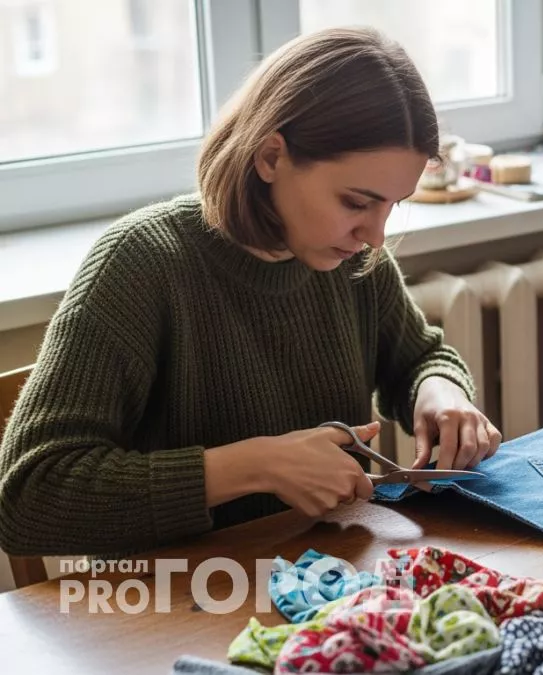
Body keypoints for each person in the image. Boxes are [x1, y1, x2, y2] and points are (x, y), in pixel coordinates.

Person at [0, 27, 501, 558]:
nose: (375, 236)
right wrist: (253, 466)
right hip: (177, 606)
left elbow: (420, 357)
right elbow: (27, 498)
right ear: (269, 157)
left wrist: (441, 390)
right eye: (356, 202)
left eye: (393, 205)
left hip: (321, 583)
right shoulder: (142, 265)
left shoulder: (352, 260)